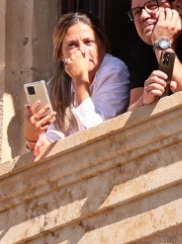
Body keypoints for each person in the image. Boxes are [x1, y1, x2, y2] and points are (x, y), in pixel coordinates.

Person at [22, 12, 130, 157]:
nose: (82, 51)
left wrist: (80, 80)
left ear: (103, 46)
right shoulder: (55, 86)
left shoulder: (113, 69)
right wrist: (33, 138)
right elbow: (52, 141)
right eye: (72, 45)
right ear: (61, 54)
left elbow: (97, 134)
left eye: (88, 42)